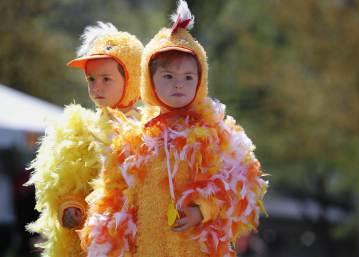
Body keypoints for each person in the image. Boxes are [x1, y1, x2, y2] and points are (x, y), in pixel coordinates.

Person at [80, 1, 268, 257]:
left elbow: (246, 180)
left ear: (201, 81)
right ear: (149, 80)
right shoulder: (133, 139)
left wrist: (202, 208)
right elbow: (112, 198)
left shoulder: (217, 133)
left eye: (188, 77)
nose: (179, 85)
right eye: (168, 76)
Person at [26, 22, 146, 257]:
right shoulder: (81, 130)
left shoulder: (150, 130)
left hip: (138, 241)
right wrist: (71, 208)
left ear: (132, 78)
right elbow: (69, 184)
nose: (96, 87)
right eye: (91, 79)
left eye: (106, 79)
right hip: (93, 243)